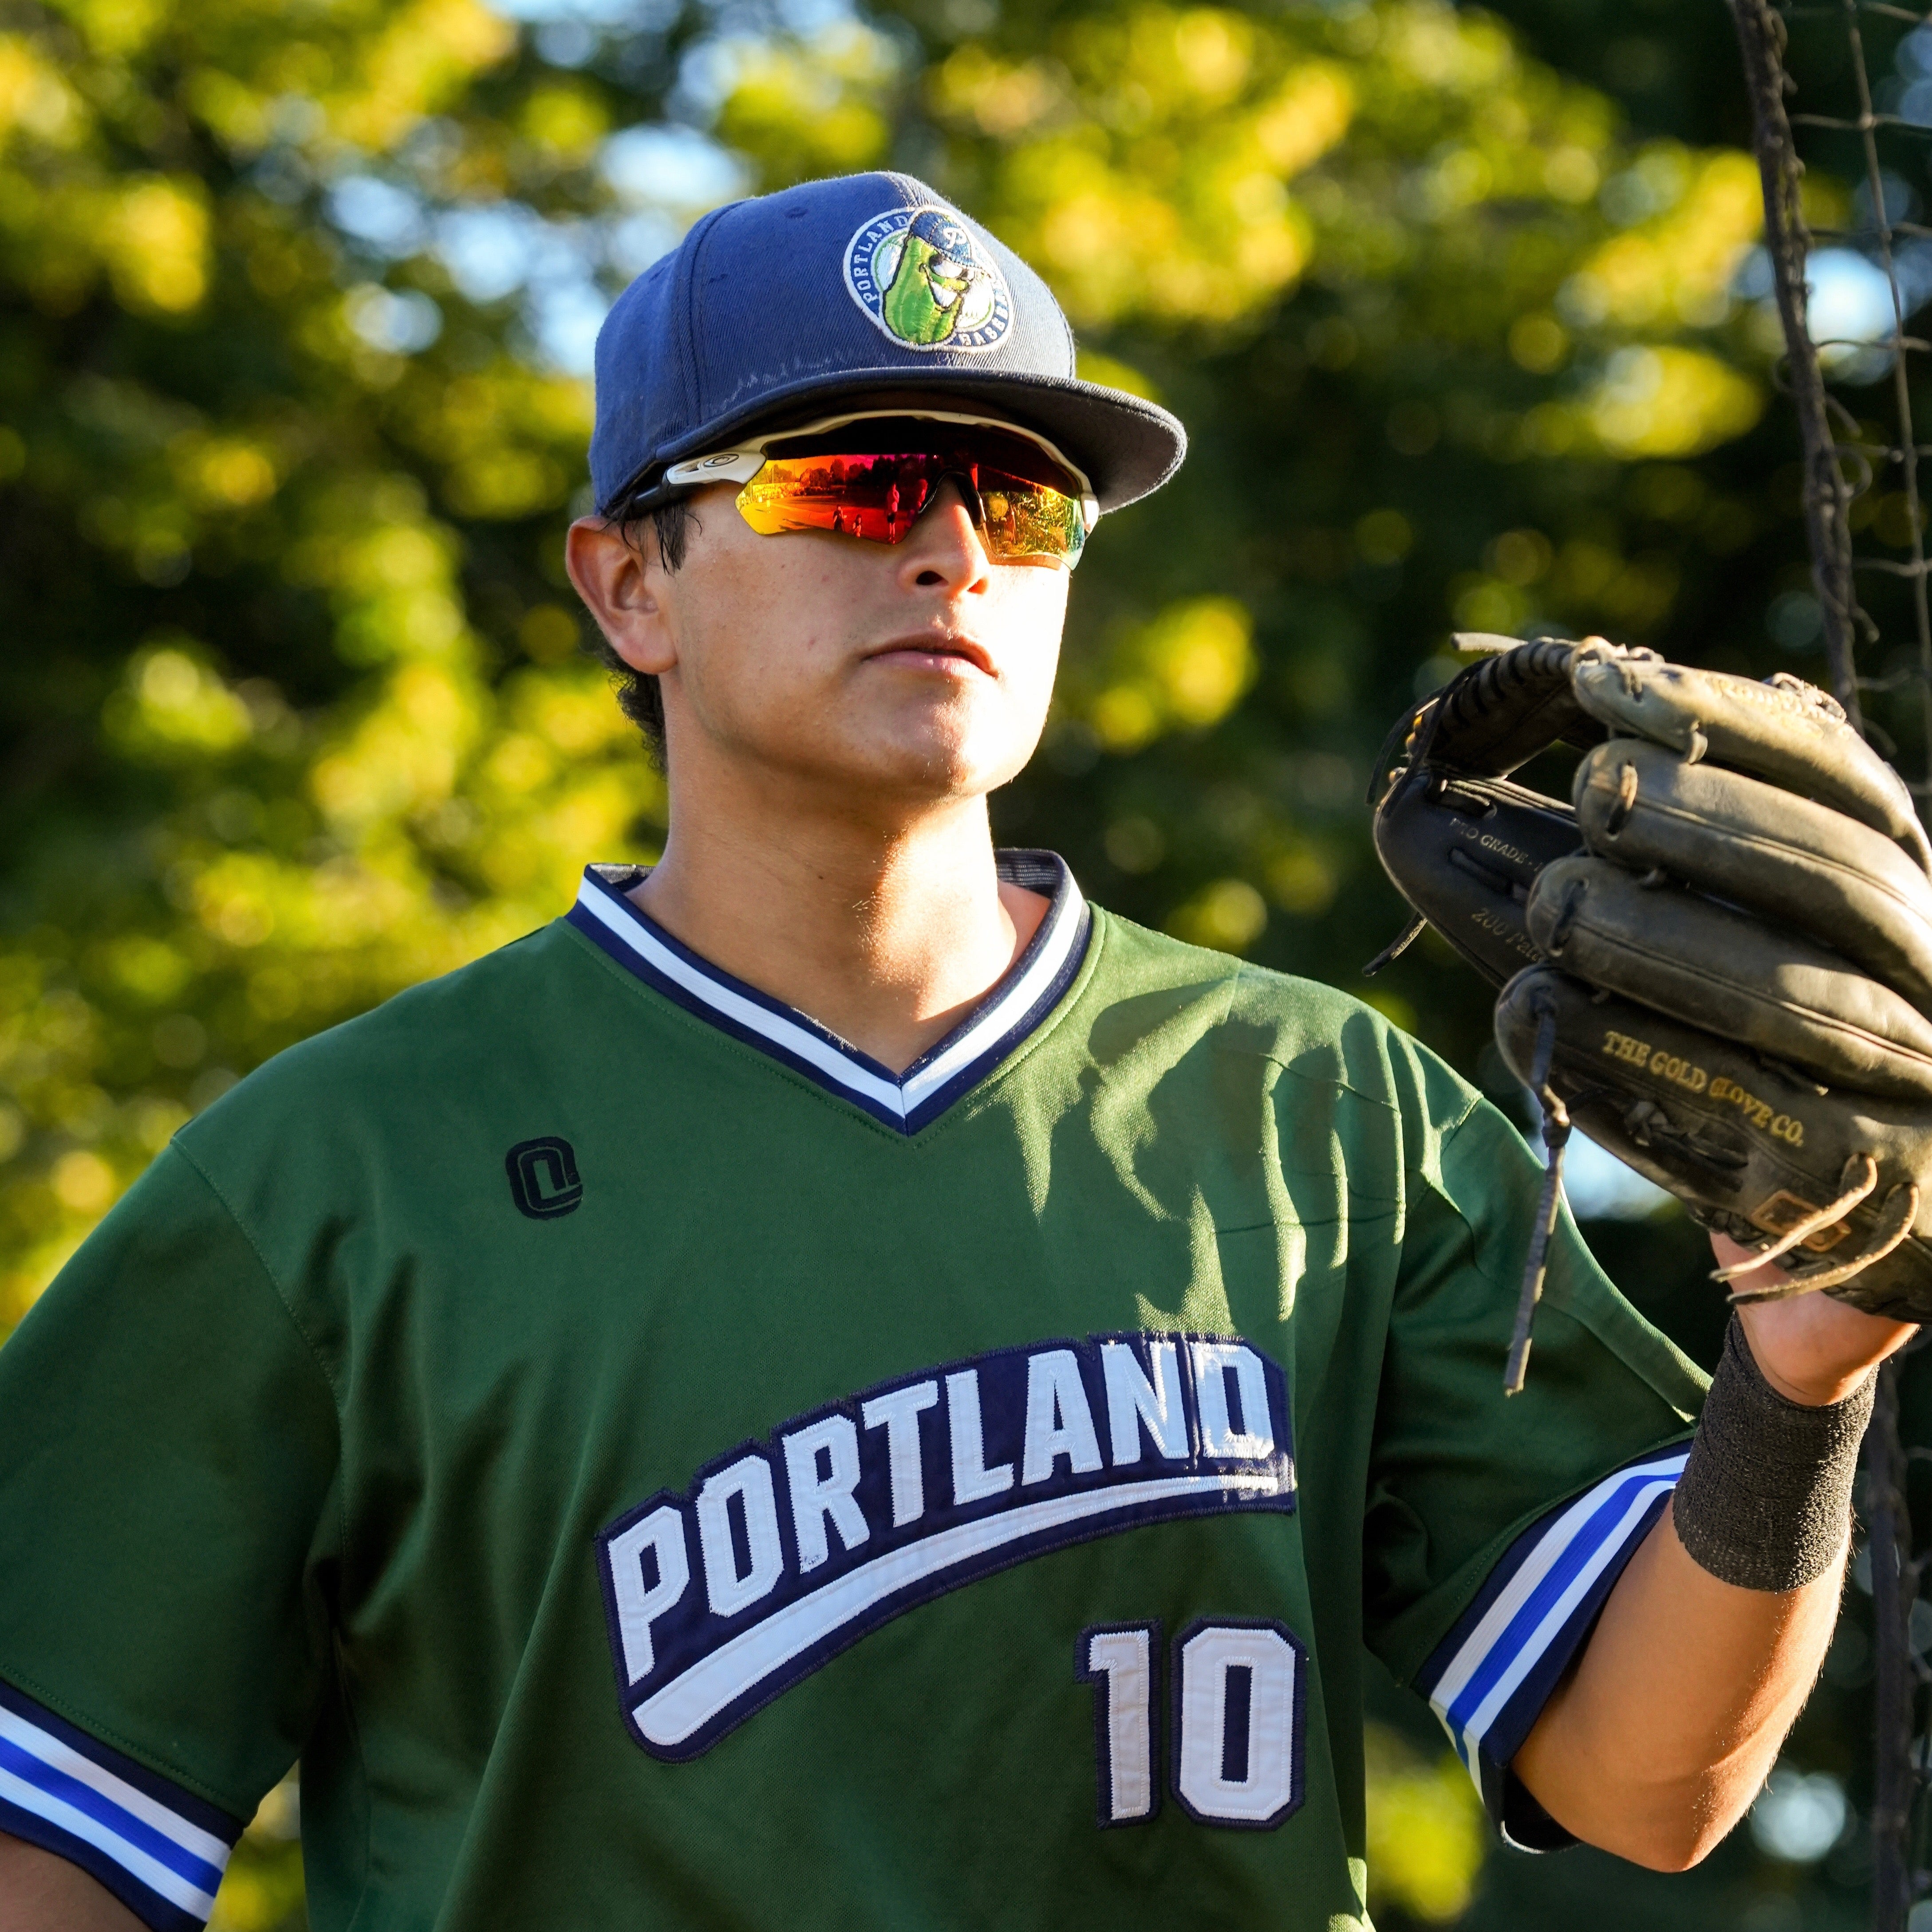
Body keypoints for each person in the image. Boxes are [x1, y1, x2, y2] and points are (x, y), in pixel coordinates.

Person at [0, 171, 1907, 1932]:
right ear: (626, 583)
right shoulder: (336, 1178)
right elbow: (49, 1838)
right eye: (845, 485)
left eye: (1021, 502)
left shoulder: (1326, 1111)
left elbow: (1647, 1779)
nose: (948, 550)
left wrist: (1803, 1370)